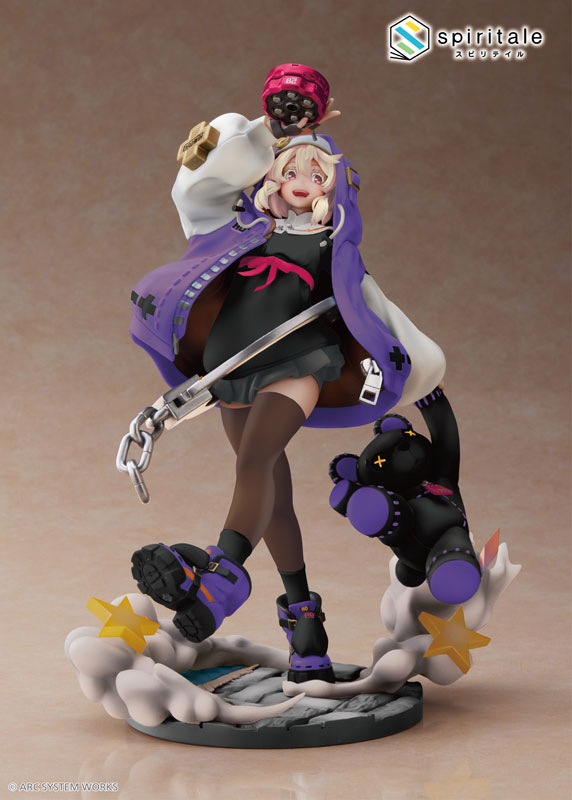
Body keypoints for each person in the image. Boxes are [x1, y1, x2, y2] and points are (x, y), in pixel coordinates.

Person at [129, 102, 445, 682]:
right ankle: (305, 623)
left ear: (331, 188)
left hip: (300, 363)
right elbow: (194, 196)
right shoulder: (243, 230)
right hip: (233, 366)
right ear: (273, 177)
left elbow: (374, 312)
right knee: (269, 487)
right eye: (291, 171)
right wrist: (243, 138)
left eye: (316, 176)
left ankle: (223, 574)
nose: (302, 182)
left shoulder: (334, 246)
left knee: (255, 460)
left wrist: (415, 366)